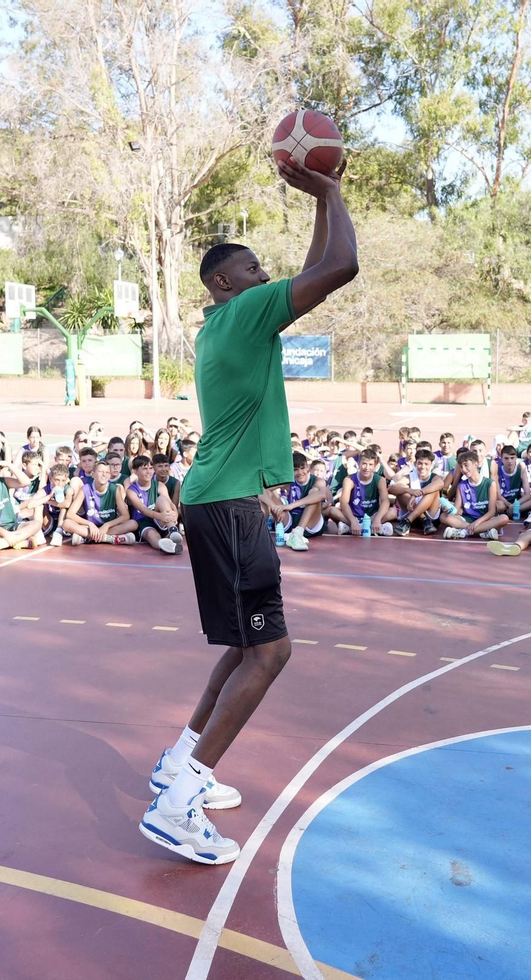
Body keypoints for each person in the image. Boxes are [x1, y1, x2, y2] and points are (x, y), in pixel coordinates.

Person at [141, 153, 357, 867]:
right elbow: (340, 267)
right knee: (271, 652)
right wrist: (328, 188)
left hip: (216, 502)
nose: (266, 276)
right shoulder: (245, 313)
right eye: (253, 268)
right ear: (223, 282)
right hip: (228, 509)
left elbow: (315, 268)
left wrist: (323, 198)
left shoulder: (221, 324)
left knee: (242, 647)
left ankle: (180, 764)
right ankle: (178, 804)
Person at [439, 449, 507, 540]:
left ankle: (464, 532)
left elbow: (491, 512)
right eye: (461, 466)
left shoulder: (490, 483)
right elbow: (456, 510)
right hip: (468, 519)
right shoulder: (461, 485)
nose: (463, 469)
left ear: (476, 464)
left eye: (466, 465)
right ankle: (483, 532)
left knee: (504, 518)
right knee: (443, 517)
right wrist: (449, 510)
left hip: (485, 519)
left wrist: (476, 523)